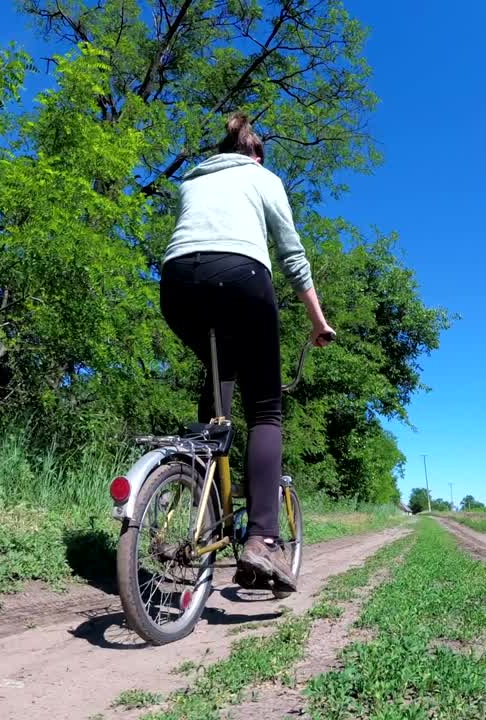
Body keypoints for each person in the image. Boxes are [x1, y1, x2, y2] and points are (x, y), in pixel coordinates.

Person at [158, 112, 334, 591]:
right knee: (266, 410)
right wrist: (318, 321)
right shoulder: (263, 178)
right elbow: (291, 255)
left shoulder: (193, 181)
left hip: (177, 285)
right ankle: (262, 540)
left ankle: (207, 508)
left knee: (219, 387)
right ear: (255, 155)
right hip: (240, 277)